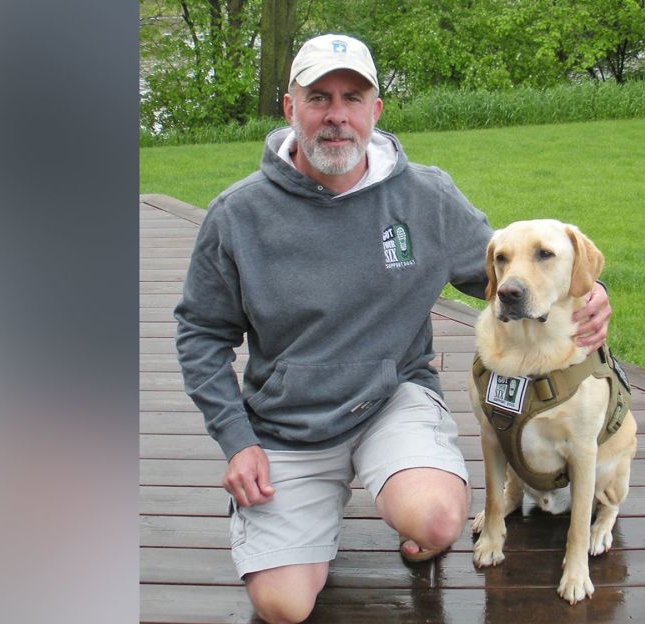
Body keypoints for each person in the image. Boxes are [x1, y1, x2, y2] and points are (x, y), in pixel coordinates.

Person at [174, 33, 611, 624]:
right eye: (319, 97)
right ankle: (307, 525)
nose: (336, 116)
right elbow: (201, 333)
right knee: (282, 607)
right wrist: (237, 441)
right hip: (287, 422)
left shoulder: (425, 196)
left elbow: (505, 269)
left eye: (353, 98)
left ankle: (400, 501)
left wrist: (590, 288)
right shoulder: (237, 215)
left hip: (391, 398)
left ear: (375, 111)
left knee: (435, 517)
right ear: (289, 108)